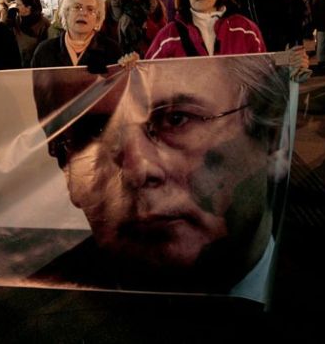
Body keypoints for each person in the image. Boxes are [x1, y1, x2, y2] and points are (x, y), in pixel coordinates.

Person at [30, 53, 291, 300]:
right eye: (97, 131)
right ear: (65, 165)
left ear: (271, 136)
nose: (138, 170)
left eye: (176, 119)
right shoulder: (31, 310)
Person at [31, 0, 121, 71]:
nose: (83, 13)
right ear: (66, 13)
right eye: (77, 7)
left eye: (90, 9)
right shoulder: (44, 51)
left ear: (98, 18)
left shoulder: (112, 50)